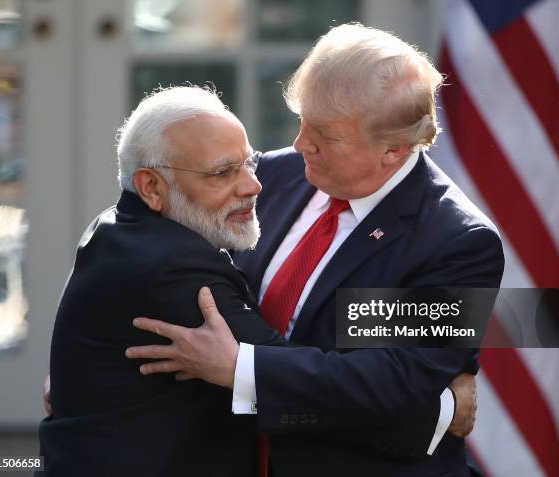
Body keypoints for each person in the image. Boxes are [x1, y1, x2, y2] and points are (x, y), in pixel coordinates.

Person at [125, 24, 504, 476]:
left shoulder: (456, 242)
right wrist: (84, 364)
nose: (301, 142)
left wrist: (242, 369)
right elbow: (143, 230)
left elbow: (391, 383)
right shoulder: (276, 174)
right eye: (302, 119)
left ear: (393, 150)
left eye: (325, 134)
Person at [37, 86, 288, 477]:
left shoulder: (115, 225)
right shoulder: (173, 266)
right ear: (151, 187)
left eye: (249, 164)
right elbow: (292, 385)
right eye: (222, 172)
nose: (252, 186)